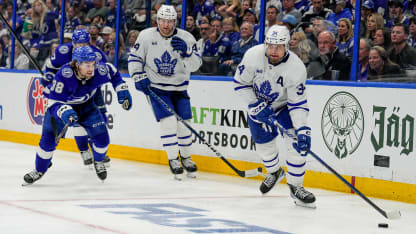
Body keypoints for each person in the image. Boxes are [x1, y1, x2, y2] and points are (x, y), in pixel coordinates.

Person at [23, 46, 133, 185]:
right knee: (48, 142)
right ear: (77, 64)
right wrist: (64, 111)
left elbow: (113, 72)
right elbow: (53, 102)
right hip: (61, 107)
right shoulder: (64, 75)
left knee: (102, 141)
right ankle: (39, 170)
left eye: (93, 64)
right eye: (87, 65)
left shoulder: (99, 70)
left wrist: (121, 89)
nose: (91, 69)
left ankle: (98, 161)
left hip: (87, 107)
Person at [233, 25, 316, 208]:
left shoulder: (296, 67)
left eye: (278, 47)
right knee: (264, 146)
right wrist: (254, 104)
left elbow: (297, 103)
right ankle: (274, 172)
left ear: (287, 46)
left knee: (295, 143)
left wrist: (302, 129)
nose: (273, 50)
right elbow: (240, 83)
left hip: (284, 106)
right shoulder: (254, 55)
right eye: (270, 46)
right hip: (258, 105)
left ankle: (296, 188)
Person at [128, 5, 202, 180]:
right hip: (157, 89)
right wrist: (137, 75)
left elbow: (196, 65)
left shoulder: (186, 38)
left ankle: (186, 157)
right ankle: (173, 159)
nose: (166, 25)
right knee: (168, 122)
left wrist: (187, 53)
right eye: (163, 20)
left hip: (179, 89)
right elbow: (135, 58)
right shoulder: (146, 36)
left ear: (175, 21)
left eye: (170, 21)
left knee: (185, 125)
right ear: (157, 20)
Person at [43, 29, 111, 168]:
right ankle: (48, 154)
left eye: (85, 43)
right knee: (55, 123)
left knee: (100, 119)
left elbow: (105, 70)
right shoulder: (63, 51)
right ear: (73, 43)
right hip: (67, 91)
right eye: (78, 44)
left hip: (89, 91)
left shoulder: (96, 53)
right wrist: (48, 80)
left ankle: (94, 152)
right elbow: (50, 68)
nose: (81, 46)